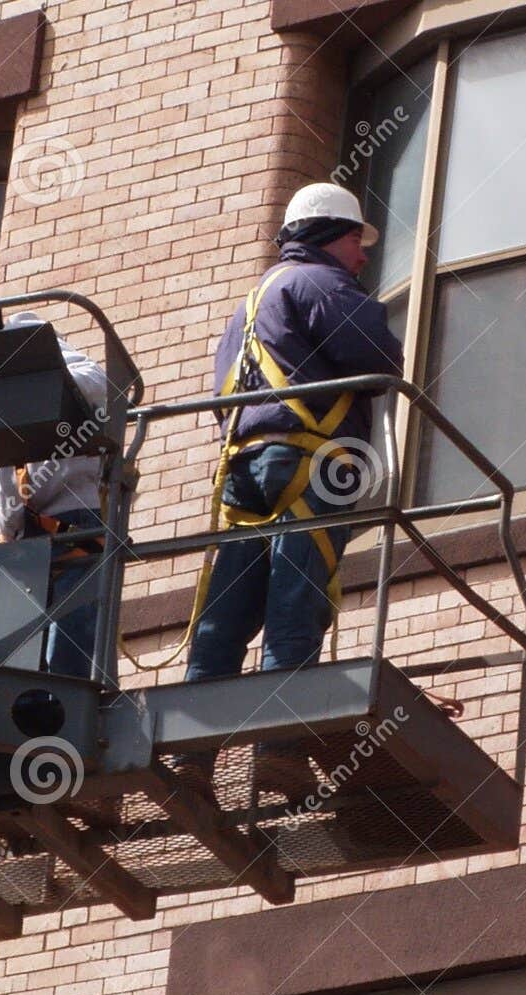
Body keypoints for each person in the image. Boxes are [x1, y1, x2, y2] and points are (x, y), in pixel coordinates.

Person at [175, 183, 404, 803]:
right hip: (307, 465)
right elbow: (383, 360)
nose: (362, 256)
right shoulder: (322, 286)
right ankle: (278, 752)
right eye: (357, 240)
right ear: (332, 235)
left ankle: (193, 760)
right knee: (294, 605)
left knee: (226, 617)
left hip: (246, 472)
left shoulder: (248, 307)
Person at [0, 286, 110, 680]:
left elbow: (96, 382)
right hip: (20, 543)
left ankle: (66, 722)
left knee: (67, 656)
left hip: (71, 523)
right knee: (15, 668)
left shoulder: (27, 344)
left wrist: (26, 383)